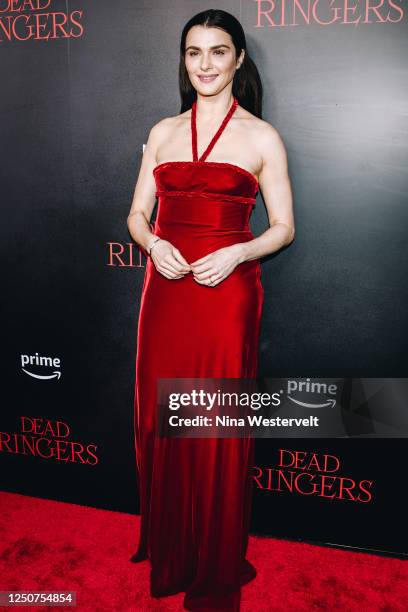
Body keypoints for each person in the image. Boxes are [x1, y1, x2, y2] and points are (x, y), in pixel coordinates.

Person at [127, 8, 294, 611]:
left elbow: (283, 228)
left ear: (239, 59)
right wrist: (153, 244)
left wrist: (238, 252)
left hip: (227, 294)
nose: (205, 65)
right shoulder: (163, 131)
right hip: (165, 291)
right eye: (194, 53)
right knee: (159, 419)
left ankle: (214, 561)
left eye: (218, 52)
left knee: (214, 426)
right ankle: (172, 549)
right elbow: (135, 215)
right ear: (184, 60)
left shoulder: (261, 137)